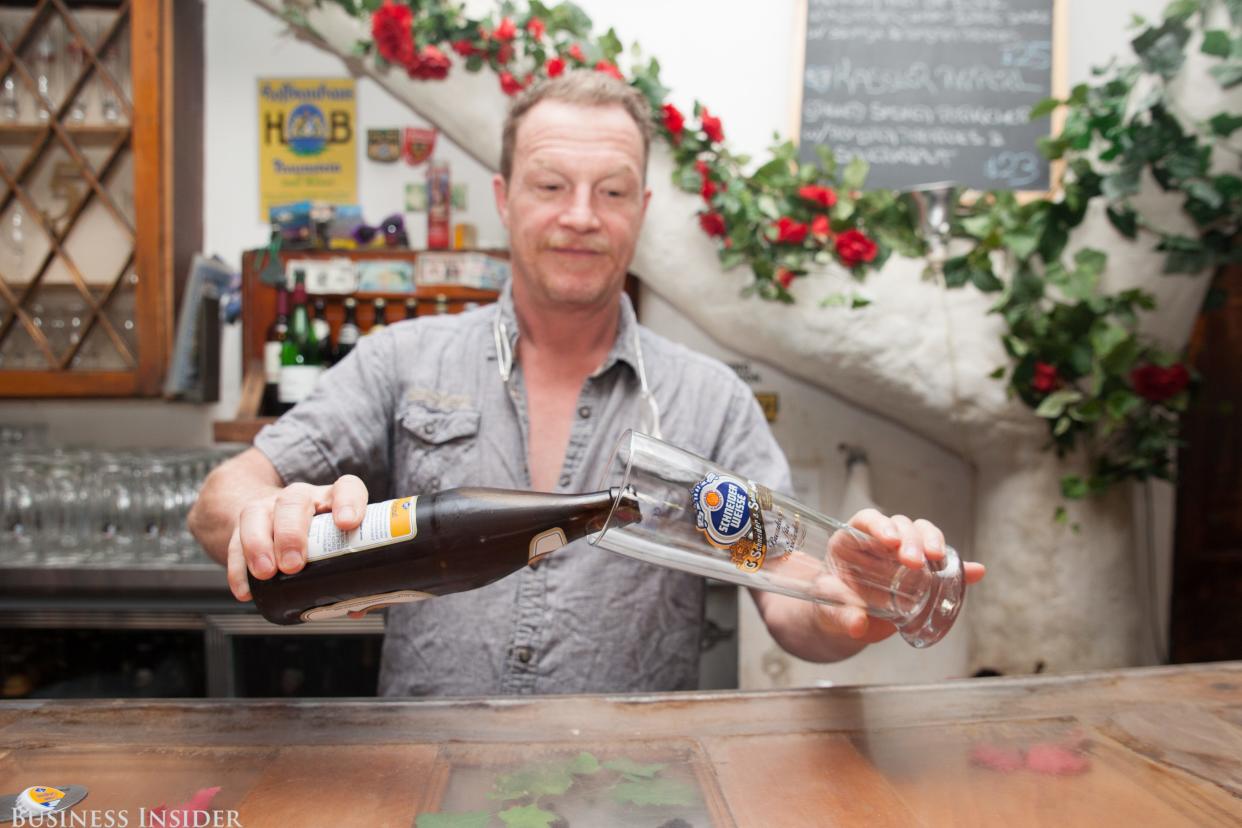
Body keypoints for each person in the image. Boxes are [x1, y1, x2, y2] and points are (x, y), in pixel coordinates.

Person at [189, 71, 984, 697]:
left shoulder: (709, 399)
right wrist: (261, 516)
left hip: (631, 789)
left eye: (610, 191)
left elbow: (790, 597)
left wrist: (852, 602)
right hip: (427, 778)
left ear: (640, 210)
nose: (580, 215)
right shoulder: (403, 359)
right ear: (504, 199)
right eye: (549, 185)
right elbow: (222, 497)